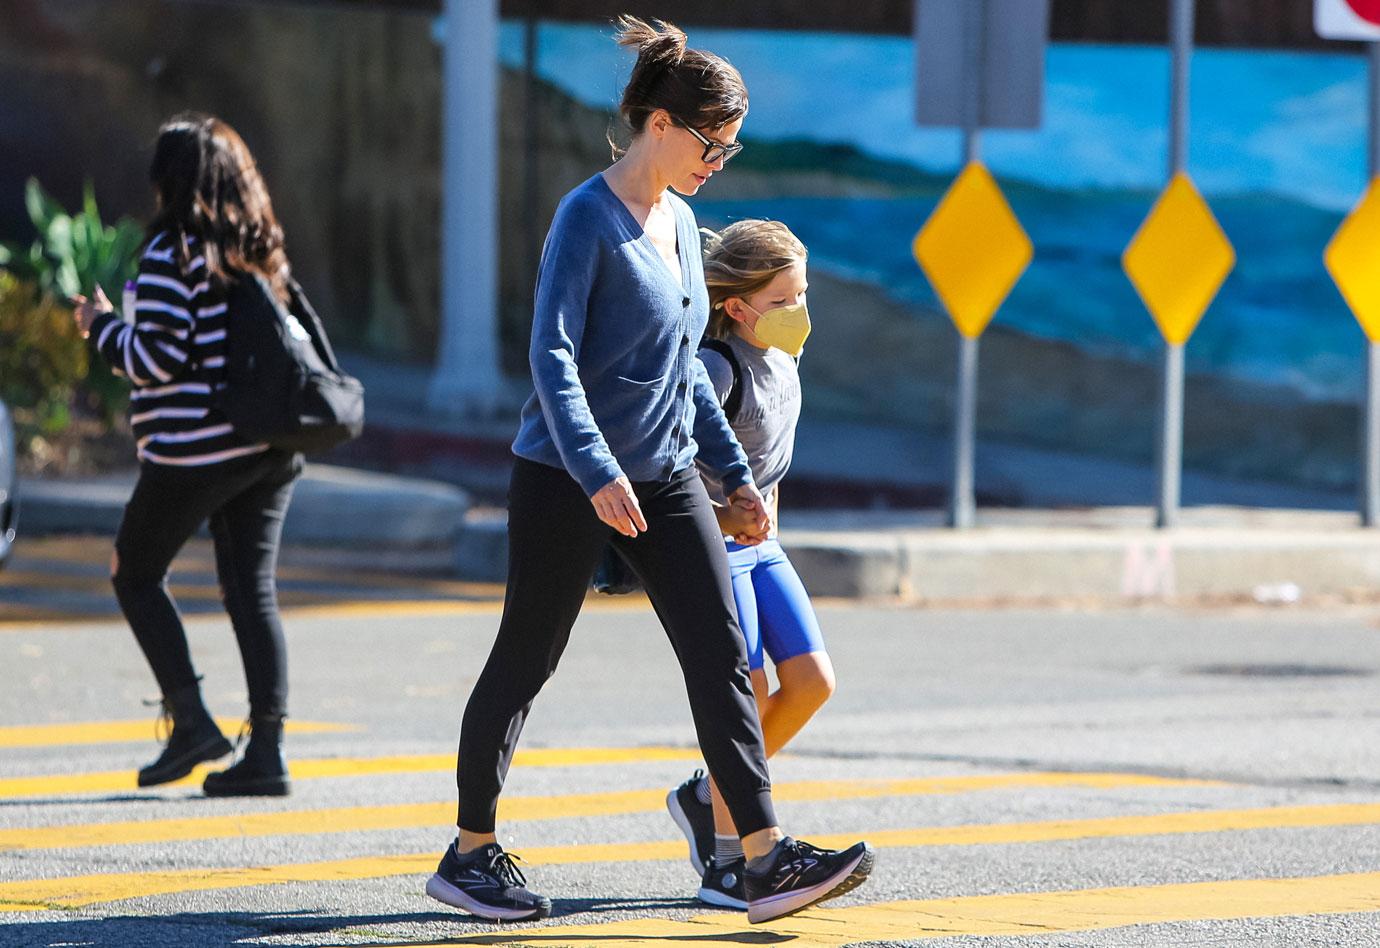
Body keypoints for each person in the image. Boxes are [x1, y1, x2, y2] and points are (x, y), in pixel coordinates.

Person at [424, 16, 873, 927]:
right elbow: (551, 359)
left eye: (732, 146)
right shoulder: (586, 217)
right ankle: (469, 855)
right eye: (714, 141)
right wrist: (592, 470)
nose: (721, 160)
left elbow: (679, 369)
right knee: (525, 659)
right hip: (564, 477)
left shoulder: (683, 222)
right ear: (660, 125)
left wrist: (736, 474)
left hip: (666, 474)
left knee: (720, 655)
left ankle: (760, 858)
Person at [72, 113, 303, 797]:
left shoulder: (174, 248)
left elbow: (159, 356)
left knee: (133, 572)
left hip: (195, 450)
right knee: (251, 592)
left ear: (170, 181)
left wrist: (103, 327)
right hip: (267, 446)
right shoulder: (258, 246)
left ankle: (193, 720)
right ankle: (265, 751)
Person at [664, 220, 834, 911]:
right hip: (713, 547)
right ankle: (730, 865)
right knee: (750, 694)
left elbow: (770, 464)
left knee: (812, 683)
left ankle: (707, 796)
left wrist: (766, 532)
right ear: (735, 307)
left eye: (803, 295)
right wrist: (725, 519)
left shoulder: (783, 361)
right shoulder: (715, 370)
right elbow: (667, 470)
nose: (800, 314)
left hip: (764, 547)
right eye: (784, 301)